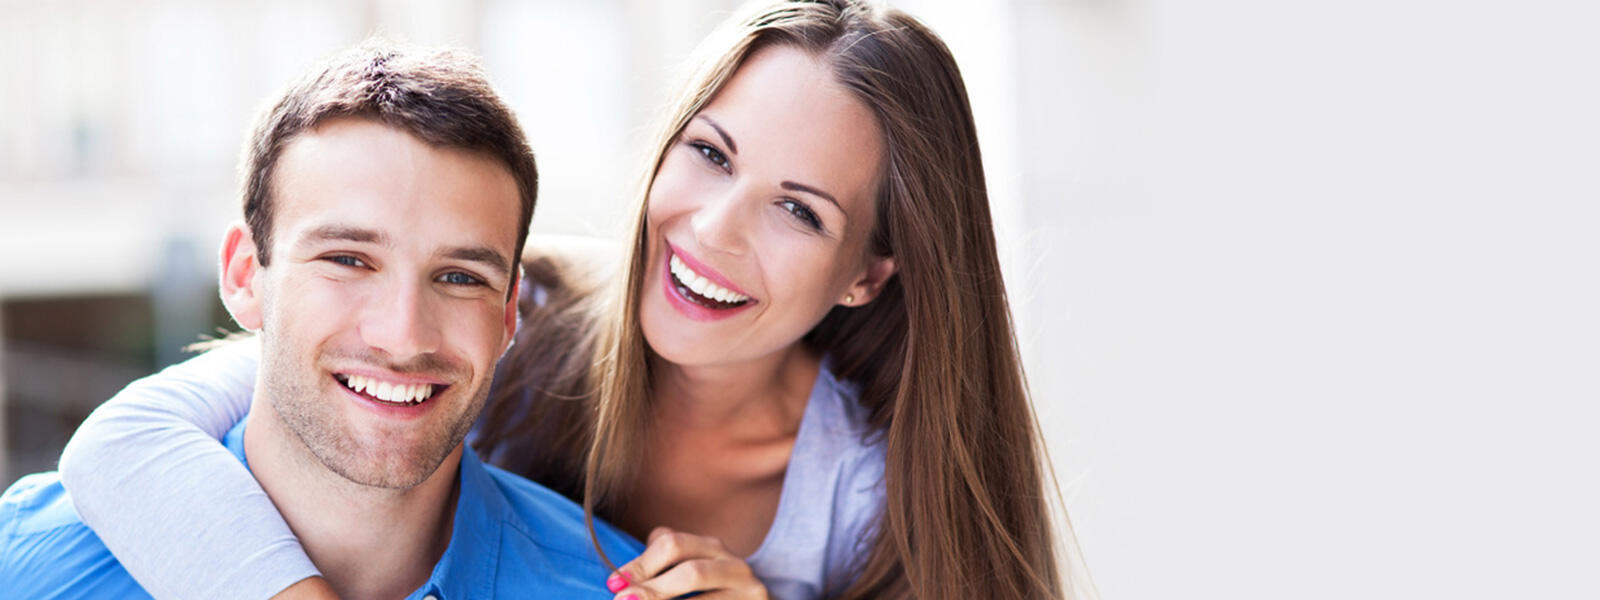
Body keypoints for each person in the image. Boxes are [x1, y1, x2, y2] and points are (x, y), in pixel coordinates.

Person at [58, 1, 1085, 599]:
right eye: (709, 154)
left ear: (869, 271)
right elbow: (127, 444)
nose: (714, 229)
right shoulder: (498, 303)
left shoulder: (866, 493)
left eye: (799, 211)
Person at [2, 41, 642, 599]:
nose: (403, 335)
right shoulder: (24, 566)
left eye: (460, 277)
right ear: (244, 276)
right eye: (348, 260)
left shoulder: (619, 588)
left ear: (509, 316)